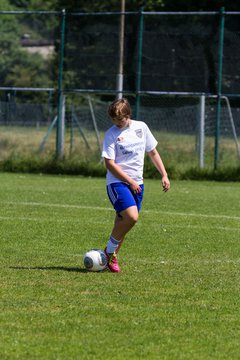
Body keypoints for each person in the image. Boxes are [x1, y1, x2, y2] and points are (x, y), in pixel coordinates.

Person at [102, 98, 170, 272]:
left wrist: (164, 174)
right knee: (131, 217)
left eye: (121, 120)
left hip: (138, 184)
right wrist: (130, 181)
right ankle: (109, 253)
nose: (117, 123)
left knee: (123, 223)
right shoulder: (111, 134)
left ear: (128, 115)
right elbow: (109, 163)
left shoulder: (141, 127)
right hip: (118, 183)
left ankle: (109, 258)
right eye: (114, 120)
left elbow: (153, 152)